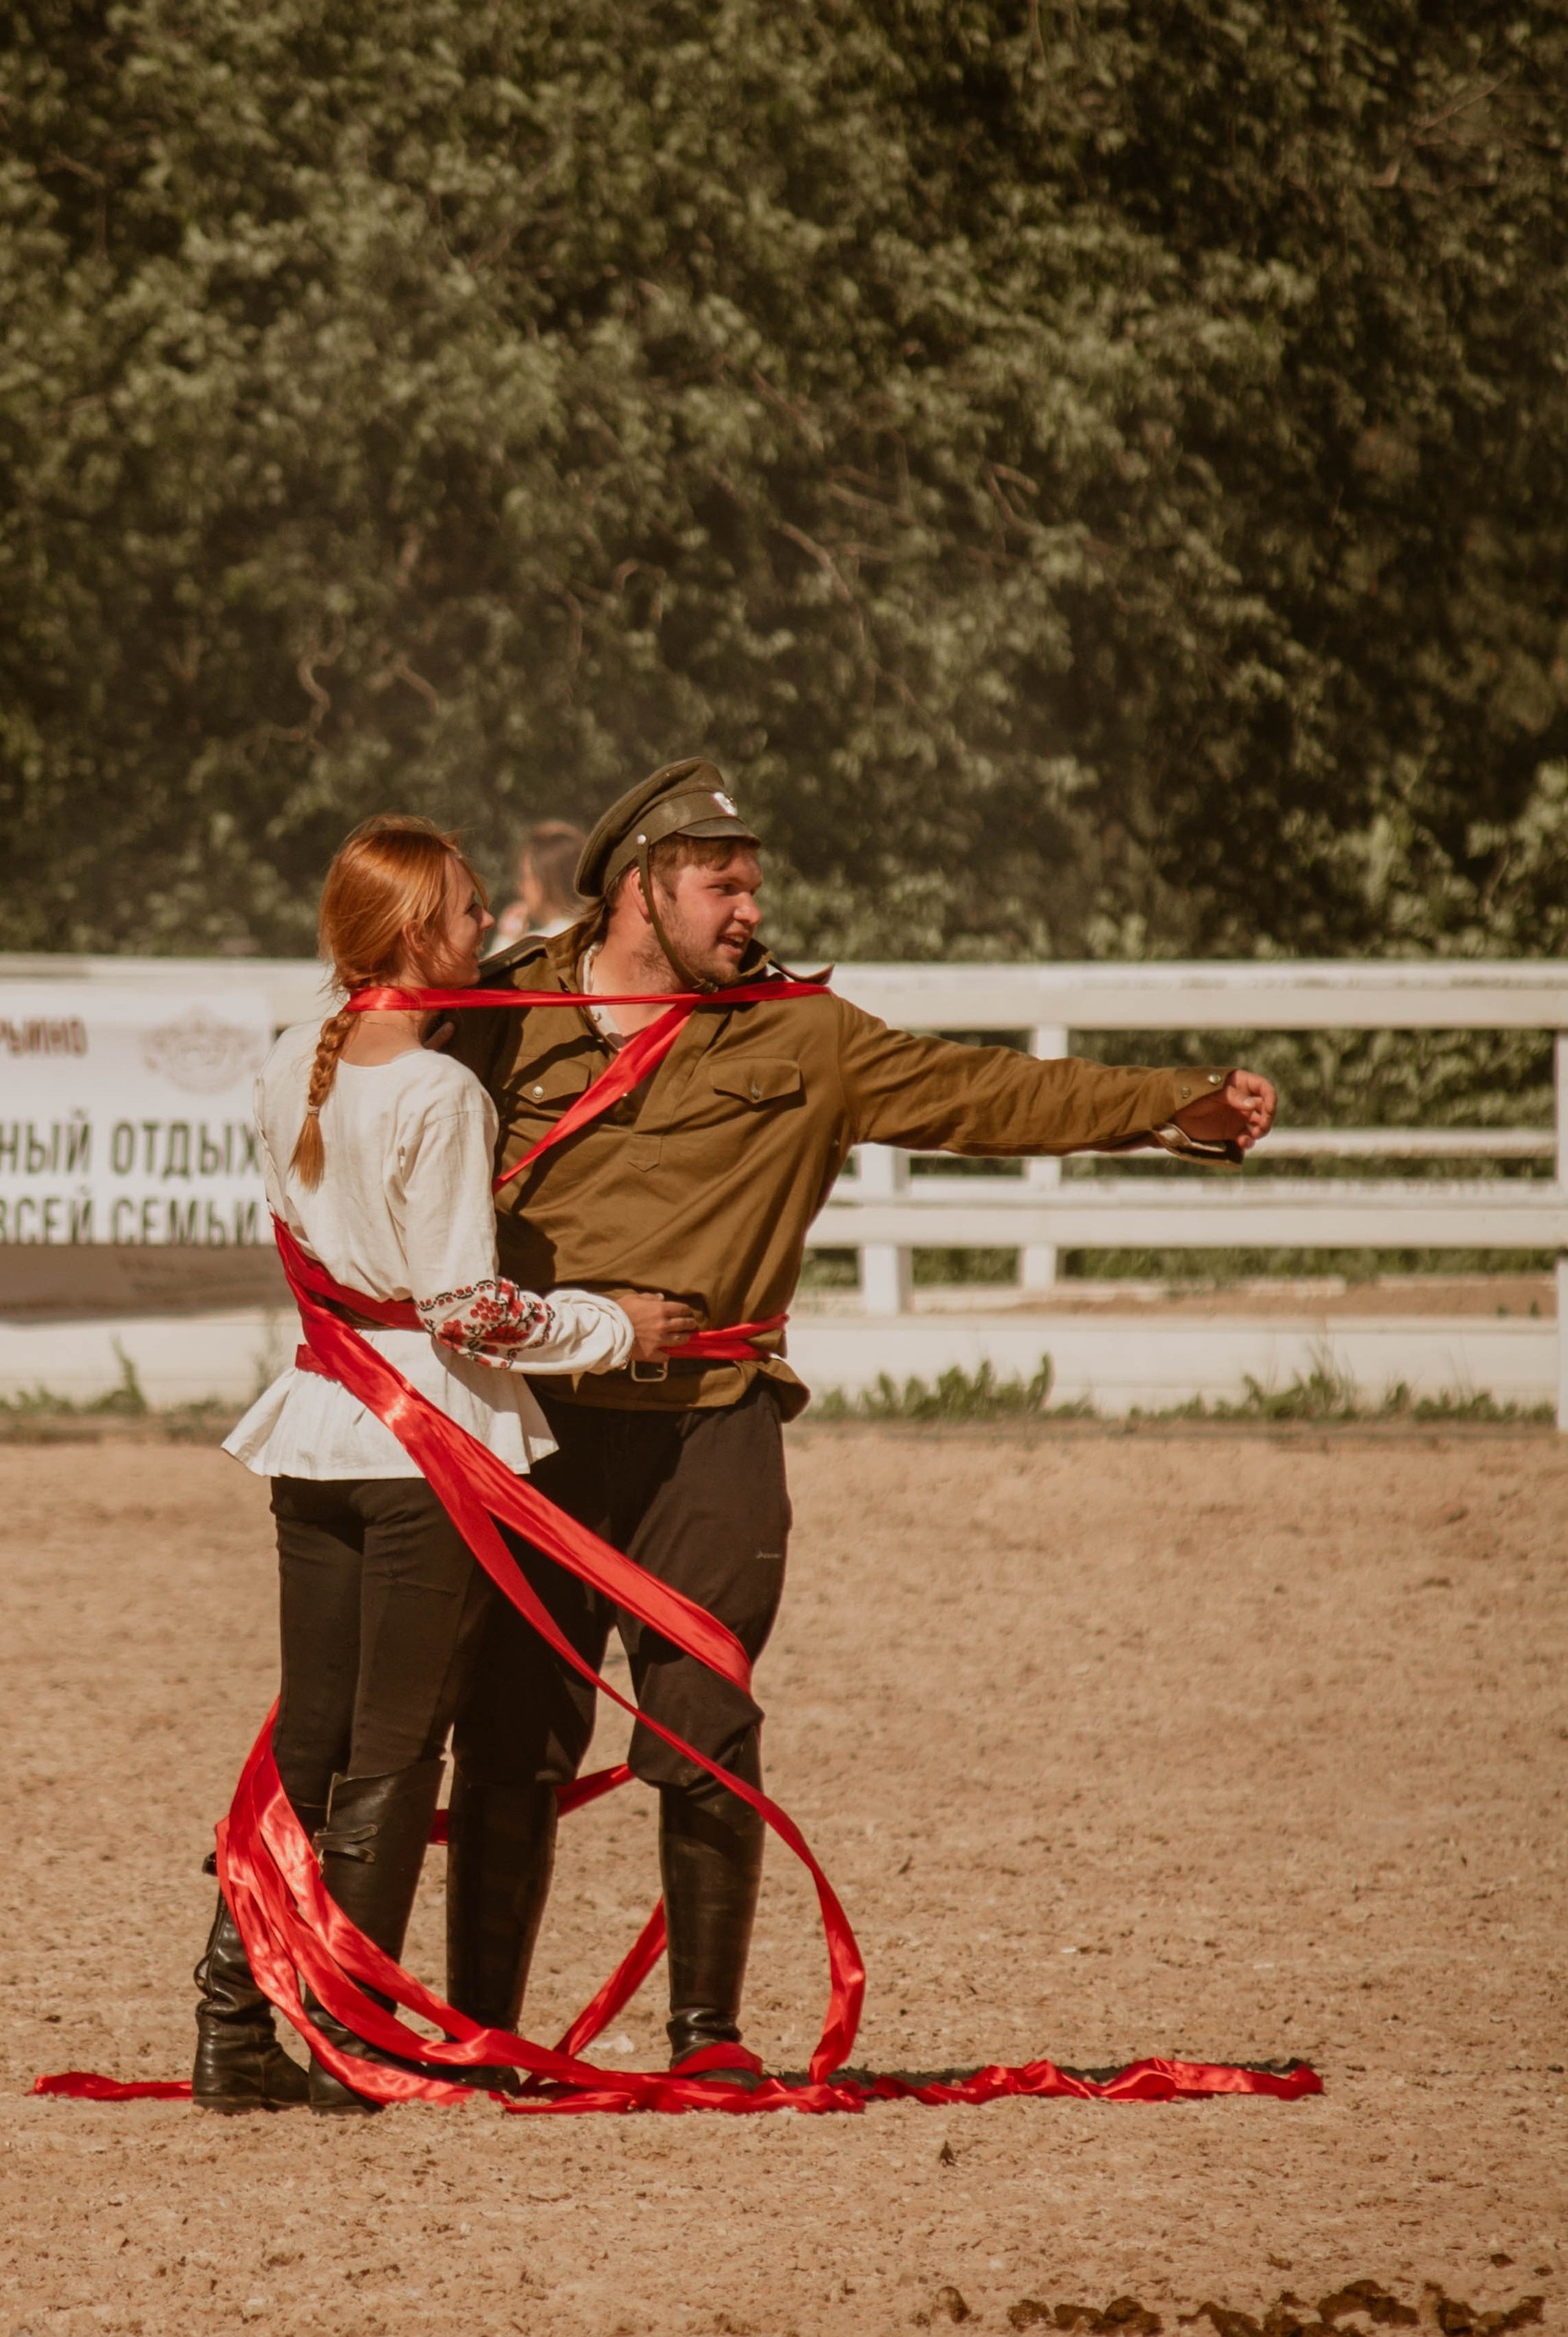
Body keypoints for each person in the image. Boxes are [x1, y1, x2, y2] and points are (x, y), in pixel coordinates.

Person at [443, 756, 1278, 2081]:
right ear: (641, 887)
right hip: (524, 1426)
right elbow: (363, 1097)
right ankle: (475, 2034)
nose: (748, 910)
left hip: (709, 1423)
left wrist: (1165, 1107)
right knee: (505, 1730)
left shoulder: (803, 1037)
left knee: (704, 1717)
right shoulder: (489, 1011)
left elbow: (989, 1093)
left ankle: (706, 2042)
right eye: (722, 884)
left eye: (752, 886)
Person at [194, 815, 694, 2113]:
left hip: (320, 1427)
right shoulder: (439, 1092)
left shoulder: (289, 1061)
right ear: (420, 934)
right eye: (472, 915)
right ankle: (352, 2041)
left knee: (308, 1743)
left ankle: (233, 2023)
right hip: (427, 1446)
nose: (491, 935)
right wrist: (613, 1323)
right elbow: (469, 1309)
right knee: (393, 1755)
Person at [495, 820, 585, 949]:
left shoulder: (536, 947)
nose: (519, 888)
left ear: (548, 881)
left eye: (524, 878)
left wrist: (506, 939)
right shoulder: (598, 933)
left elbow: (496, 969)